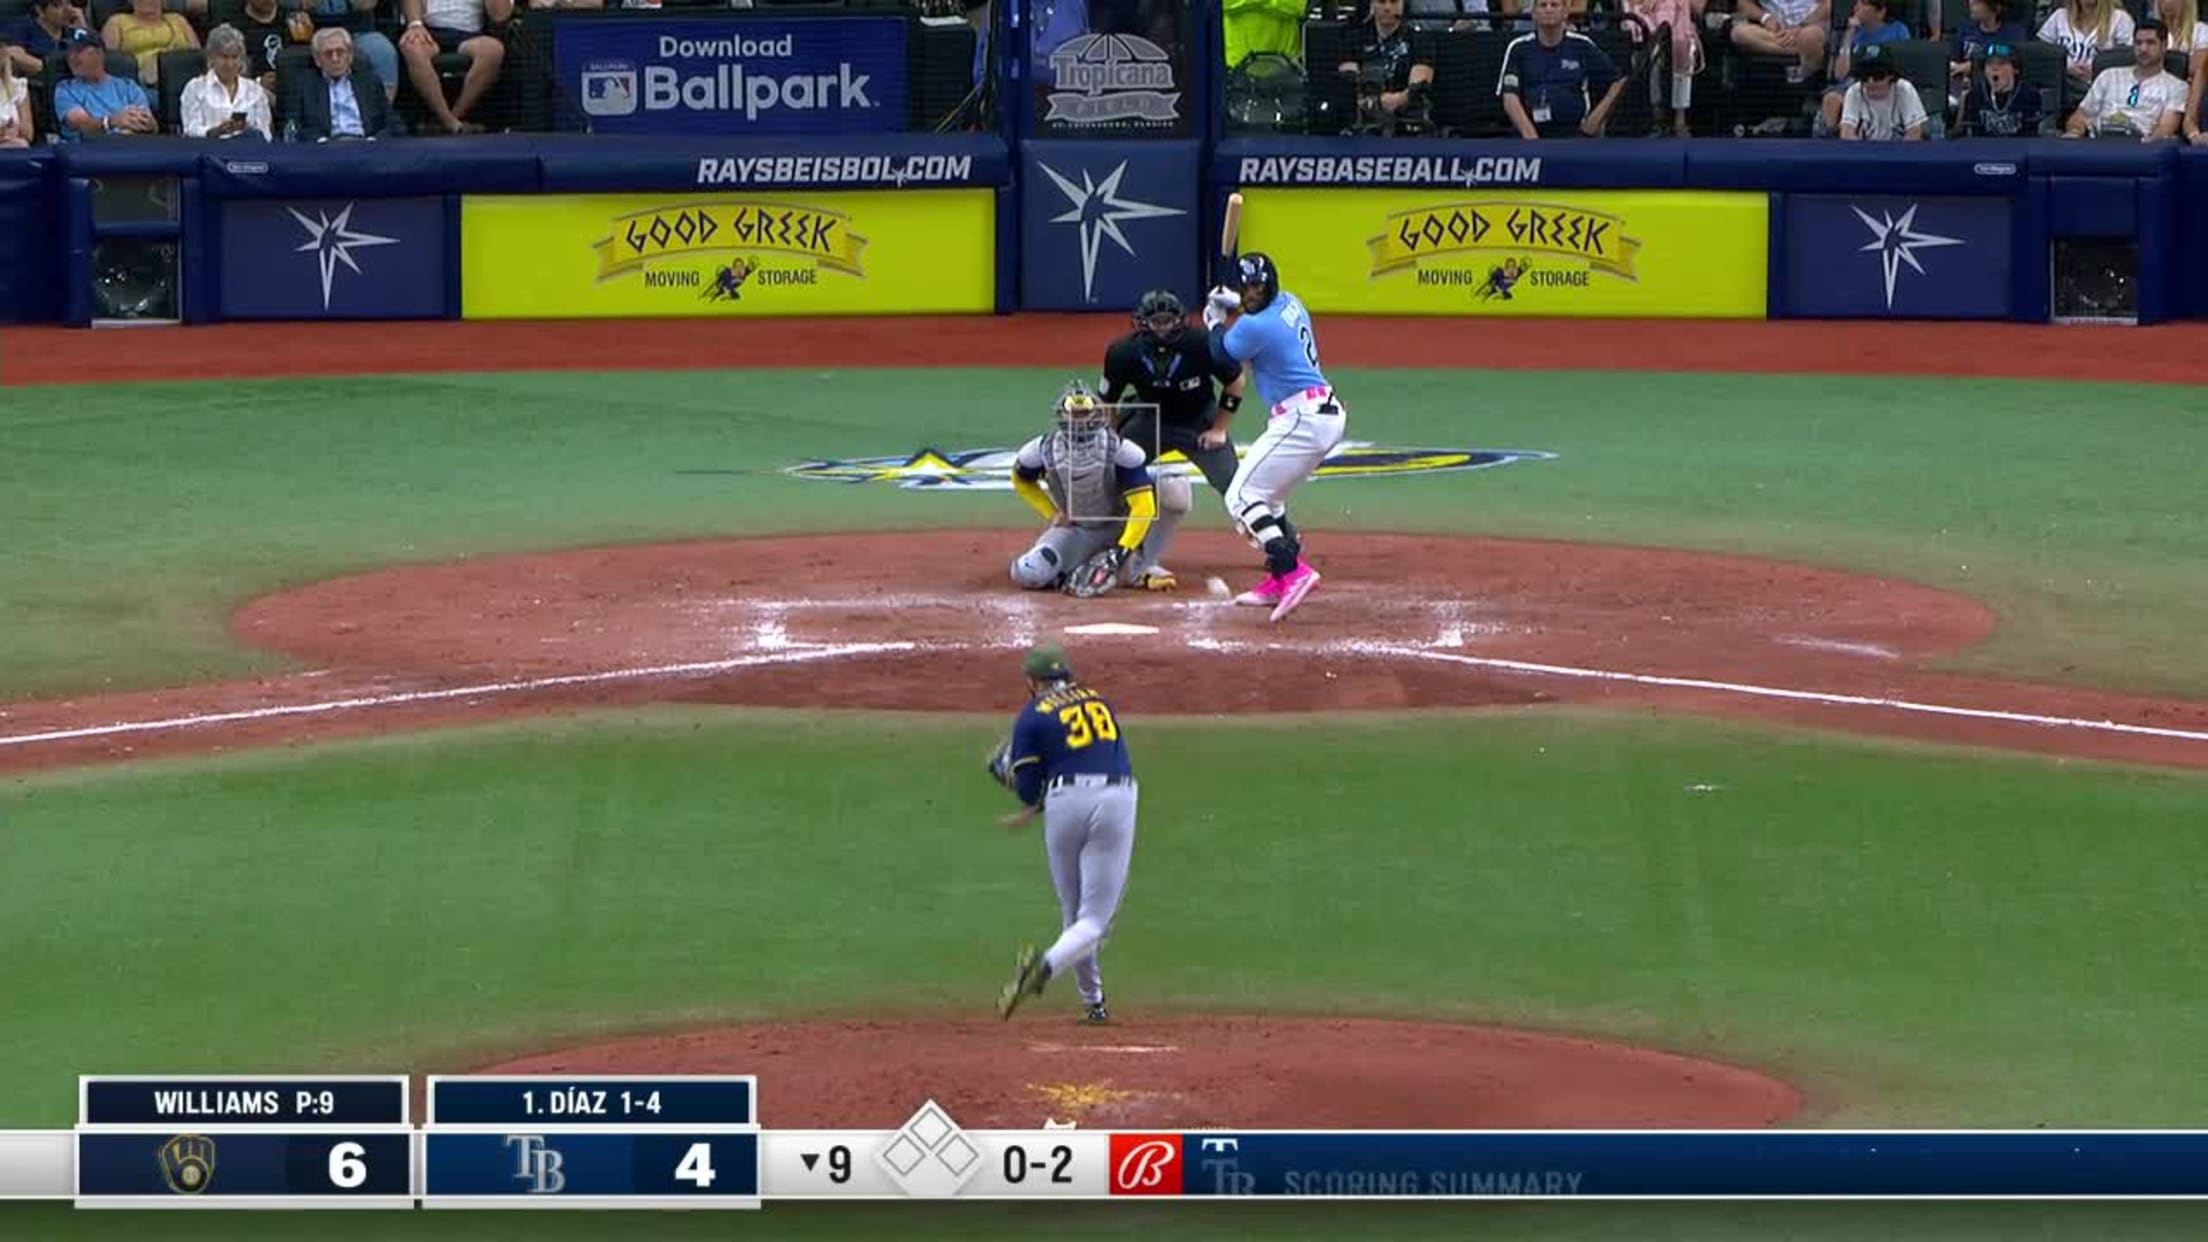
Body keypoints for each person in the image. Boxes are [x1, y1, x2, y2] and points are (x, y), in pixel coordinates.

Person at [993, 644, 1137, 1026]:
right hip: (1116, 797)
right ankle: (1065, 983)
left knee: (1076, 917)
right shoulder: (1099, 701)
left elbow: (1027, 790)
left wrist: (1011, 778)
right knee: (1092, 922)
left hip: (1064, 801)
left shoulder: (1031, 716)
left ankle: (1087, 996)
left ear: (1032, 682)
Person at [1203, 252, 1344, 622]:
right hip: (1321, 414)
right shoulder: (1290, 301)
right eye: (1246, 288)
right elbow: (1253, 311)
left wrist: (1214, 322)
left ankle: (1292, 569)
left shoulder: (1254, 328)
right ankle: (1280, 579)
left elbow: (1222, 358)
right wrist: (1230, 303)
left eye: (1258, 287)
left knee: (1241, 495)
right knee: (1271, 501)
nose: (1252, 294)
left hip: (1302, 419)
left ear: (1270, 285)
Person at [1007, 382, 1186, 595]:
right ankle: (1079, 571)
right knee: (1029, 573)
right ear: (1063, 417)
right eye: (1075, 415)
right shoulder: (1041, 450)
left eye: (1084, 415)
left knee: (1175, 487)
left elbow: (1143, 506)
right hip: (1079, 529)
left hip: (1122, 527)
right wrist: (1052, 513)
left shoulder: (1121, 451)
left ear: (1096, 416)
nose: (1079, 421)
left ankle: (1141, 564)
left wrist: (1121, 551)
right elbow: (1021, 480)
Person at [1099, 289, 1247, 502]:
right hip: (1149, 419)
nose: (1162, 328)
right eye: (1156, 322)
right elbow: (1106, 400)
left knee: (1236, 488)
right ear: (1143, 321)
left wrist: (1219, 429)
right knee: (1111, 478)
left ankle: (1277, 533)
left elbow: (1236, 381)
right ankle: (1104, 532)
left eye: (1167, 321)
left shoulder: (1201, 343)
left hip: (1198, 420)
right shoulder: (1123, 353)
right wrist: (1113, 436)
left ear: (1179, 320)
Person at [1498, 0, 1625, 139]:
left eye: (1554, 5)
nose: (1548, 9)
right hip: (1529, 137)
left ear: (1565, 13)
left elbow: (1618, 82)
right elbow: (1510, 98)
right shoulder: (1518, 48)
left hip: (1575, 136)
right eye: (1543, 5)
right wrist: (1531, 137)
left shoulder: (1583, 46)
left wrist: (1593, 122)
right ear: (1534, 13)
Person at [2065, 18, 2186, 138]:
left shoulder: (2176, 87)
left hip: (2141, 149)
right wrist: (2075, 132)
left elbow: (2164, 130)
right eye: (2138, 43)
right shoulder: (2108, 76)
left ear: (2164, 46)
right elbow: (2080, 116)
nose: (2143, 49)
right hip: (2099, 144)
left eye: (2150, 43)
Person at [55, 28, 159, 140]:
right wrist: (111, 122)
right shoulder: (66, 89)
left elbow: (147, 122)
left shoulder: (128, 86)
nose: (72, 57)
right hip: (88, 151)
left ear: (99, 53)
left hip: (131, 146)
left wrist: (148, 123)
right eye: (69, 52)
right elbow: (81, 124)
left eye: (79, 51)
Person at [181, 25, 273, 139]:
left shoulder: (255, 90)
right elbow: (190, 129)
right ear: (211, 58)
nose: (230, 64)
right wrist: (216, 131)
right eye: (224, 57)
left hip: (248, 152)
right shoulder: (195, 88)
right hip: (210, 151)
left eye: (235, 57)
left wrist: (249, 130)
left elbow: (266, 134)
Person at [1836, 42, 1927, 138]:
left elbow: (1914, 132)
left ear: (1891, 75)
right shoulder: (1854, 91)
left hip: (1900, 150)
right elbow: (1846, 132)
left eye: (1878, 75)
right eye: (1865, 76)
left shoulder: (1904, 89)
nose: (1870, 82)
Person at [1957, 41, 2045, 134]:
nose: (1995, 68)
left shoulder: (2029, 95)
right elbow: (1967, 136)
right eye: (1989, 63)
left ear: (2015, 69)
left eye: (2002, 63)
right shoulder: (1975, 96)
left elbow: (2033, 137)